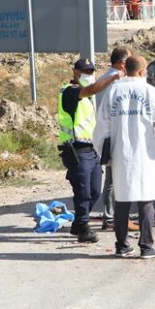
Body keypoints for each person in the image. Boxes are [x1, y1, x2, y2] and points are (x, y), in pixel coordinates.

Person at [93, 55, 155, 259]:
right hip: (145, 153)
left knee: (122, 199)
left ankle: (121, 245)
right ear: (141, 71)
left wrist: (103, 151)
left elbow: (102, 124)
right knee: (146, 200)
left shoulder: (114, 91)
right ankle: (146, 246)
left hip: (120, 153)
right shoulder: (149, 92)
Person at [58, 57, 119, 243]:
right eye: (85, 72)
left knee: (94, 192)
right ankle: (83, 227)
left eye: (92, 72)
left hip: (91, 151)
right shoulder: (70, 92)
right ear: (75, 72)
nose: (89, 75)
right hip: (77, 151)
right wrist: (113, 78)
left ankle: (78, 223)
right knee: (83, 192)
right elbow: (92, 89)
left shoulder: (86, 97)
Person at [99, 46, 139, 232]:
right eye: (130, 61)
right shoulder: (116, 81)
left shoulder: (106, 77)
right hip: (114, 134)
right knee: (115, 179)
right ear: (123, 63)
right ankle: (112, 217)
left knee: (112, 178)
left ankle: (113, 216)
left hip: (108, 134)